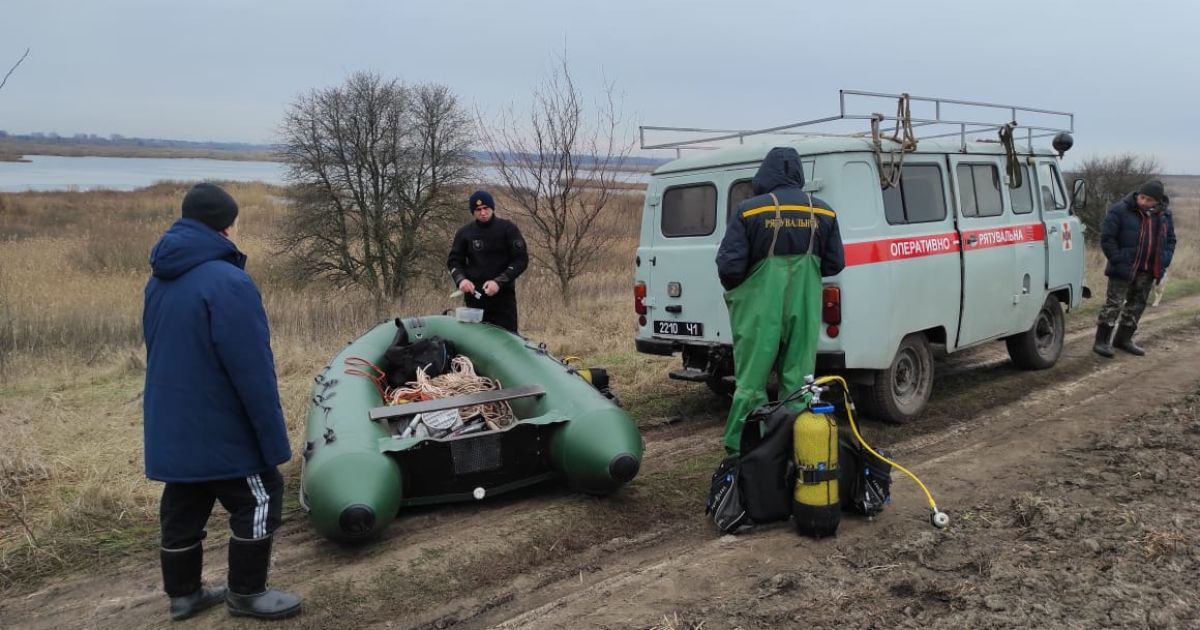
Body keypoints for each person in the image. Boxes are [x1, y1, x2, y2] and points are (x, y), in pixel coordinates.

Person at [143, 182, 301, 621]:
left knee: (185, 497)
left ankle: (184, 594)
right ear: (226, 226)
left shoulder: (158, 279)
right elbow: (251, 368)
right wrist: (272, 442)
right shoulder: (229, 281)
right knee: (261, 495)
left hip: (171, 418)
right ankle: (247, 592)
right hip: (219, 420)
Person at [715, 147, 844, 456]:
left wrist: (748, 289)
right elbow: (835, 264)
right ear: (799, 174)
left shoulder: (749, 211)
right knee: (800, 382)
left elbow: (729, 267)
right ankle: (796, 447)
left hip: (759, 311)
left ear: (766, 174)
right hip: (805, 305)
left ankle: (744, 451)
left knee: (751, 383)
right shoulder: (824, 212)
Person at [1093, 179, 1176, 358]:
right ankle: (1101, 342)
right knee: (1113, 304)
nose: (1144, 202)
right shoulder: (1120, 210)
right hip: (1123, 267)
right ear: (1138, 194)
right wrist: (1117, 258)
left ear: (1158, 201)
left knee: (1136, 306)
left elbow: (1170, 241)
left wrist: (1164, 260)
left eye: (1149, 200)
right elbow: (1107, 237)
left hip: (1148, 269)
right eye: (1142, 197)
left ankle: (1123, 340)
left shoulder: (1165, 216)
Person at [447, 190, 529, 333]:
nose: (483, 213)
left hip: (503, 298)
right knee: (476, 341)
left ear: (492, 208)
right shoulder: (465, 233)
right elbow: (454, 261)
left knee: (506, 340)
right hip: (475, 299)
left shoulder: (508, 229)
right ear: (473, 212)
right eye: (478, 210)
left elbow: (521, 260)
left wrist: (499, 282)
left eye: (486, 208)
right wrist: (461, 280)